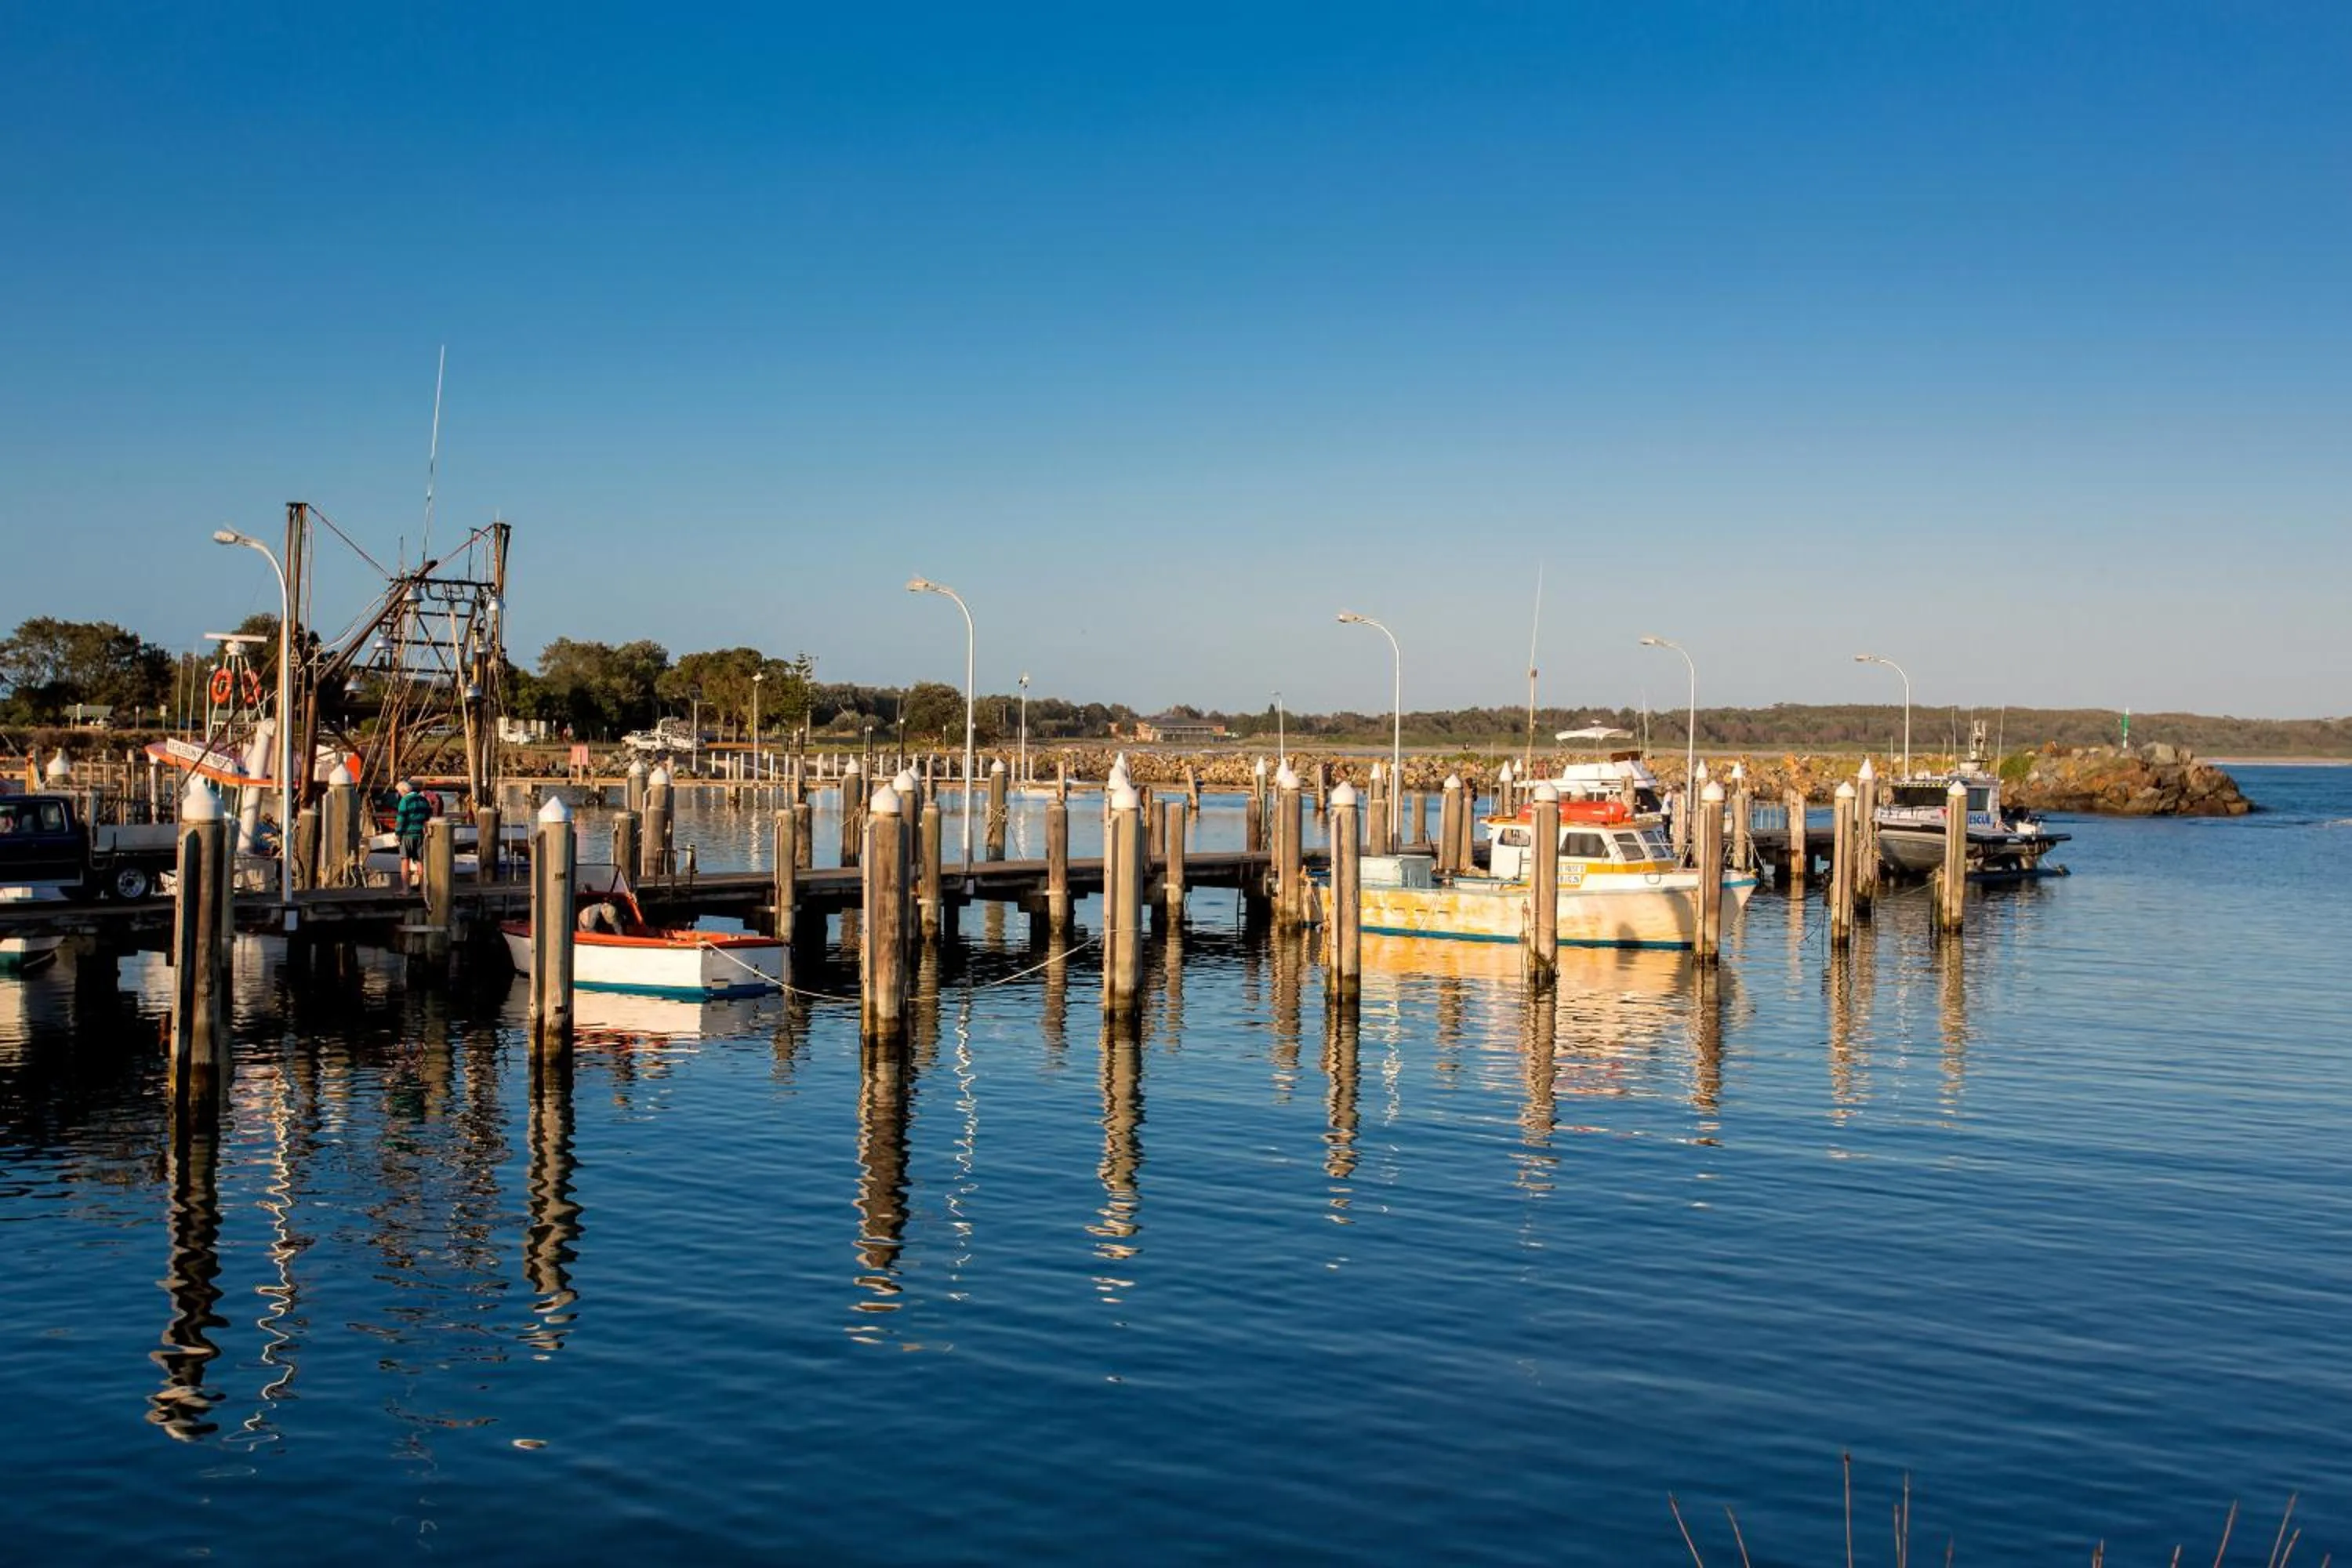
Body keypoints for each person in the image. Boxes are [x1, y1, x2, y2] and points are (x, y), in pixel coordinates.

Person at [394, 780, 433, 887]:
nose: (399, 794)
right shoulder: (423, 799)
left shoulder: (405, 800)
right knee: (419, 861)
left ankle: (406, 889)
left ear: (404, 791)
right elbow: (428, 816)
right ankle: (422, 889)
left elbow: (401, 819)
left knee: (405, 862)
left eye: (399, 792)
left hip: (407, 834)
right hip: (420, 834)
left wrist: (398, 834)